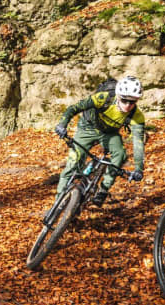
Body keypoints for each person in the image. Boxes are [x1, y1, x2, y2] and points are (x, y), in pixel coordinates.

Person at [53, 75, 147, 206]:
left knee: (120, 154)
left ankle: (103, 190)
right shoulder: (103, 98)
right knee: (73, 162)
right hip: (88, 127)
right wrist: (62, 124)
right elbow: (74, 108)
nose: (128, 105)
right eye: (124, 100)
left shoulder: (137, 115)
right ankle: (58, 203)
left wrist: (139, 169)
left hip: (109, 133)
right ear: (118, 96)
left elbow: (138, 143)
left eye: (132, 102)